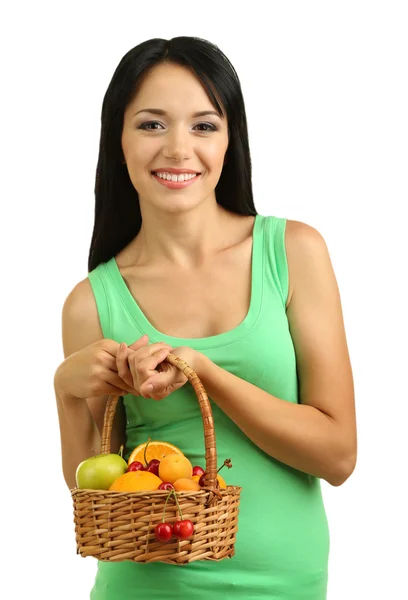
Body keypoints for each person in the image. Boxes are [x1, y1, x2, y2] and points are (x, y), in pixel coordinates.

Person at [54, 36, 357, 600]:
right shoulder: (92, 302)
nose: (177, 148)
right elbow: (99, 503)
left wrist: (205, 373)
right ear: (118, 141)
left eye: (203, 125)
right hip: (146, 589)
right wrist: (67, 393)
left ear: (229, 140)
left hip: (287, 588)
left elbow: (337, 456)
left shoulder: (293, 253)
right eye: (150, 125)